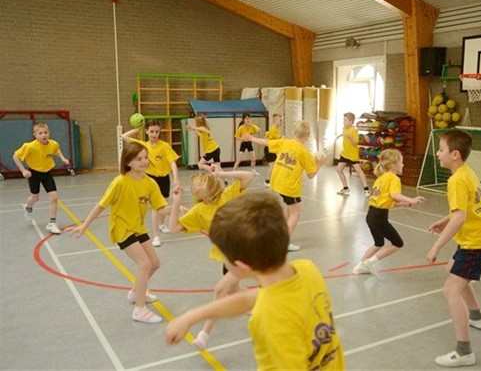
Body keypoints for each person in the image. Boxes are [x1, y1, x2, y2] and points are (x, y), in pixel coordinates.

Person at [166, 192, 345, 370]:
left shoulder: (269, 317)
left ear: (241, 266)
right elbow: (249, 299)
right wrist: (191, 317)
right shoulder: (306, 270)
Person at [67, 142, 168, 324]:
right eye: (139, 159)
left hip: (138, 228)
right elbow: (101, 206)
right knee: (144, 264)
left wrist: (178, 206)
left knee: (155, 263)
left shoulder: (150, 183)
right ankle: (139, 309)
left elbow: (161, 208)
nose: (144, 161)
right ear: (128, 162)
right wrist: (83, 226)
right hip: (122, 229)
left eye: (146, 158)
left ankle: (135, 292)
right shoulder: (120, 182)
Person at [426, 129, 481, 367]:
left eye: (441, 149)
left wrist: (436, 246)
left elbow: (459, 218)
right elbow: (462, 212)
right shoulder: (466, 172)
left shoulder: (456, 180)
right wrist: (445, 220)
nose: (438, 154)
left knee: (451, 290)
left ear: (455, 154)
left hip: (478, 242)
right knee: (453, 271)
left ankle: (464, 352)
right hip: (480, 238)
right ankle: (476, 316)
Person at [168, 166, 255, 350]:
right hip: (228, 257)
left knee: (220, 290)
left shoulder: (228, 195)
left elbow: (248, 176)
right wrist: (176, 203)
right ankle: (262, 305)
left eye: (209, 191)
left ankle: (204, 335)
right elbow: (174, 228)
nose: (208, 197)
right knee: (233, 291)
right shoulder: (200, 210)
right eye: (202, 194)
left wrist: (222, 174)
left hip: (246, 251)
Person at [242, 120, 325, 252]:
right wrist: (319, 163)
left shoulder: (285, 142)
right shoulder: (305, 153)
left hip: (277, 182)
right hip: (290, 187)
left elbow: (267, 143)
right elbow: (311, 175)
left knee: (287, 209)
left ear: (295, 133)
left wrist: (251, 138)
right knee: (295, 214)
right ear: (308, 135)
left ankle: (276, 234)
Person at [352, 149, 426, 275]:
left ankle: (359, 267)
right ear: (393, 165)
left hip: (371, 215)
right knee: (398, 243)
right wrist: (412, 199)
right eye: (401, 162)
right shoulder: (393, 178)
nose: (403, 165)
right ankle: (370, 262)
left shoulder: (381, 178)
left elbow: (386, 200)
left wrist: (403, 203)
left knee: (378, 243)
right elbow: (395, 194)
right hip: (379, 218)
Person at [122, 119, 180, 247]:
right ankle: (156, 236)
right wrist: (137, 129)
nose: (154, 134)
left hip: (164, 178)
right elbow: (124, 136)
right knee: (156, 208)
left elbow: (172, 163)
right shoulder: (143, 146)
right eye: (152, 131)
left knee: (163, 205)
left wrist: (175, 177)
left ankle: (161, 224)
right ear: (147, 132)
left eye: (157, 132)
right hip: (150, 179)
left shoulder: (164, 146)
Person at [13, 122, 70, 234]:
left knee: (54, 197)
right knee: (35, 197)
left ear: (49, 133)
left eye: (45, 132)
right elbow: (15, 156)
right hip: (34, 173)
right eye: (40, 133)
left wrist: (62, 158)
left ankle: (52, 223)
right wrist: (23, 170)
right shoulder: (29, 146)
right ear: (35, 135)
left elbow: (56, 150)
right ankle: (28, 208)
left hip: (47, 172)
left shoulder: (53, 144)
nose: (43, 135)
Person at [336, 112, 370, 197]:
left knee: (359, 171)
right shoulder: (344, 128)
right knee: (339, 170)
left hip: (352, 155)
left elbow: (356, 143)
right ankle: (345, 188)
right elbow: (344, 134)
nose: (343, 122)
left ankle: (366, 190)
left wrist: (350, 137)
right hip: (345, 153)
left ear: (351, 121)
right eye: (343, 120)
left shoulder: (354, 130)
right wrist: (340, 135)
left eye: (345, 120)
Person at [263, 113, 283, 187]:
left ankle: (272, 179)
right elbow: (279, 139)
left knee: (274, 165)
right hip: (269, 149)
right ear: (274, 120)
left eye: (281, 120)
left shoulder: (275, 129)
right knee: (272, 165)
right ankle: (267, 181)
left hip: (272, 148)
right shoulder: (273, 129)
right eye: (279, 120)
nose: (281, 121)